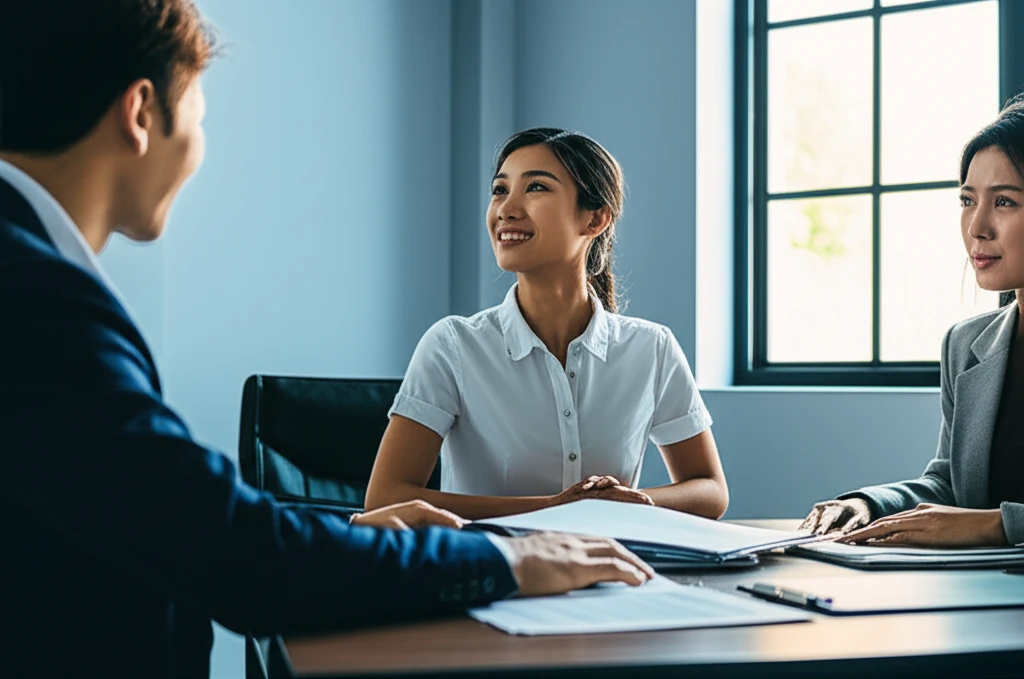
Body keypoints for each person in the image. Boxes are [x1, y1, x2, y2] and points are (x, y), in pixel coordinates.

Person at [0, 4, 654, 677]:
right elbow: (236, 554)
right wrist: (507, 558)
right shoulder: (33, 301)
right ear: (141, 114)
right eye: (200, 113)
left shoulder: (30, 279)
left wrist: (343, 541)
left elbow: (162, 521)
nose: (200, 143)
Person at [366, 128, 729, 521]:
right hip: (493, 573)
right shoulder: (452, 346)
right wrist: (555, 508)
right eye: (500, 190)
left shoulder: (652, 348)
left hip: (613, 569)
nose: (506, 208)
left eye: (535, 187)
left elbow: (710, 491)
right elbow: (387, 498)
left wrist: (636, 501)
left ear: (595, 218)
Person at [800, 97, 1024, 548]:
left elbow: (967, 516)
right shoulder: (965, 344)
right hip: (979, 599)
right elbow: (948, 487)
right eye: (967, 200)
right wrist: (869, 504)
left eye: (1003, 202)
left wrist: (993, 525)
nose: (977, 226)